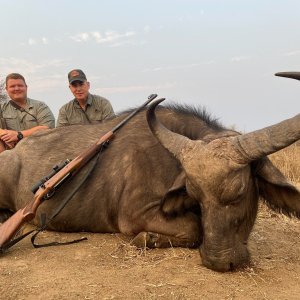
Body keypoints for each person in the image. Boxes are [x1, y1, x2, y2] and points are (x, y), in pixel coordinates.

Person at [0, 73, 55, 152]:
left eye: (20, 85)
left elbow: (48, 128)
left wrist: (18, 135)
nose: (16, 88)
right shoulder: (2, 108)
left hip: (41, 152)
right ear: (7, 89)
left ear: (26, 87)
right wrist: (4, 135)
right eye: (12, 86)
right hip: (12, 156)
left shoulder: (40, 106)